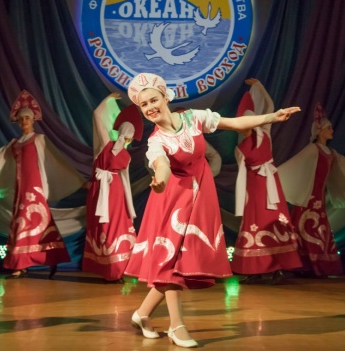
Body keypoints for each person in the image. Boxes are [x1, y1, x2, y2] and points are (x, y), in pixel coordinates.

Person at [124, 73, 301, 348]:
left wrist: (271, 117)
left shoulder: (193, 118)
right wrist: (160, 179)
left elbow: (234, 123)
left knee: (180, 261)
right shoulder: (156, 141)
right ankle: (176, 326)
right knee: (171, 262)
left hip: (199, 196)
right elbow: (161, 164)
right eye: (143, 105)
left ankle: (142, 313)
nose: (149, 107)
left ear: (165, 97)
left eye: (153, 100)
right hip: (172, 201)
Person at [0, 90, 83, 279]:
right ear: (17, 122)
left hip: (35, 188)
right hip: (20, 189)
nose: (24, 121)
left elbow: (56, 161)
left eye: (27, 118)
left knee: (38, 222)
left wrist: (77, 180)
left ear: (33, 120)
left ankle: (48, 258)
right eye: (21, 119)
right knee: (21, 223)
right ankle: (23, 263)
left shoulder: (39, 140)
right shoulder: (14, 145)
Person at [278, 103, 345, 278]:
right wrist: (273, 175)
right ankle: (305, 265)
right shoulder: (312, 150)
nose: (332, 130)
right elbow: (294, 165)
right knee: (305, 228)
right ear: (320, 131)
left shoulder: (330, 153)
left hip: (319, 200)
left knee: (317, 230)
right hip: (308, 199)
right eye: (329, 128)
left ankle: (316, 266)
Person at [231, 78, 302, 285]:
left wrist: (259, 86)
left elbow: (270, 107)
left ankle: (277, 267)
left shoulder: (265, 132)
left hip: (269, 184)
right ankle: (254, 269)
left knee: (272, 219)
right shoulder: (241, 145)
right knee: (254, 221)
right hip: (254, 186)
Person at [82, 93, 142, 282]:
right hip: (105, 190)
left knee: (113, 226)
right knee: (106, 226)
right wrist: (107, 99)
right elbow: (97, 116)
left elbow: (124, 178)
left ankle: (116, 268)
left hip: (112, 191)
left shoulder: (121, 152)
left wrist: (127, 203)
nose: (129, 140)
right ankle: (111, 268)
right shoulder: (107, 146)